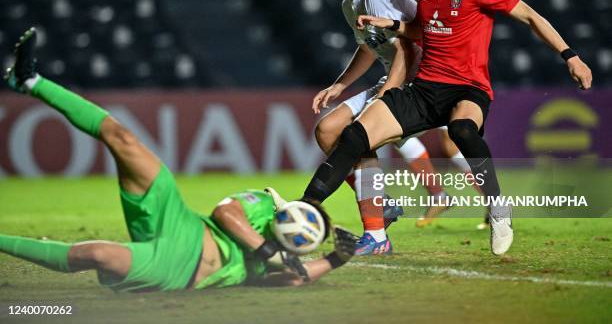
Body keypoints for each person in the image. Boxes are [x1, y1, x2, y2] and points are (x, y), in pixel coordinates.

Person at [303, 0, 592, 256]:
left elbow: (530, 16)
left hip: (469, 87)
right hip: (426, 87)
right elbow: (423, 30)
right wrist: (392, 24)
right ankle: (305, 207)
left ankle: (499, 208)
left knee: (463, 131)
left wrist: (570, 56)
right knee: (353, 136)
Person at [0, 28, 358, 291]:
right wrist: (265, 249)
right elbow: (225, 213)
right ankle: (30, 81)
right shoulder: (265, 206)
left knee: (95, 255)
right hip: (180, 221)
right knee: (123, 138)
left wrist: (335, 260)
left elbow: (296, 278)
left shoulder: (282, 265)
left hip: (177, 269)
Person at [313, 0, 452, 255]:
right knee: (328, 130)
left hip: (425, 79)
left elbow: (408, 48)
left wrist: (387, 95)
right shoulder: (351, 3)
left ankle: (377, 234)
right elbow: (370, 47)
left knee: (358, 135)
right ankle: (380, 205)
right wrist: (341, 84)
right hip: (397, 76)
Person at [407, 0, 490, 230]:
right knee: (410, 136)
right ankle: (446, 194)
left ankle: (450, 195)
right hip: (430, 71)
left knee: (451, 141)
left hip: (451, 76)